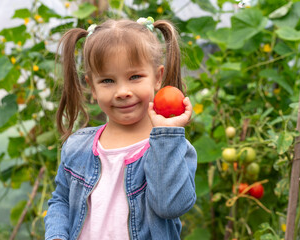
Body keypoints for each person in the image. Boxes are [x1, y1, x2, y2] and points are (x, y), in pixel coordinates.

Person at [44, 16, 197, 240]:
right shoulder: (78, 146)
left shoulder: (173, 148)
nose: (122, 91)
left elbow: (170, 206)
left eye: (135, 76)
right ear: (92, 87)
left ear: (157, 77)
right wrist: (56, 235)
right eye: (107, 81)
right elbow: (61, 200)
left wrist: (167, 137)